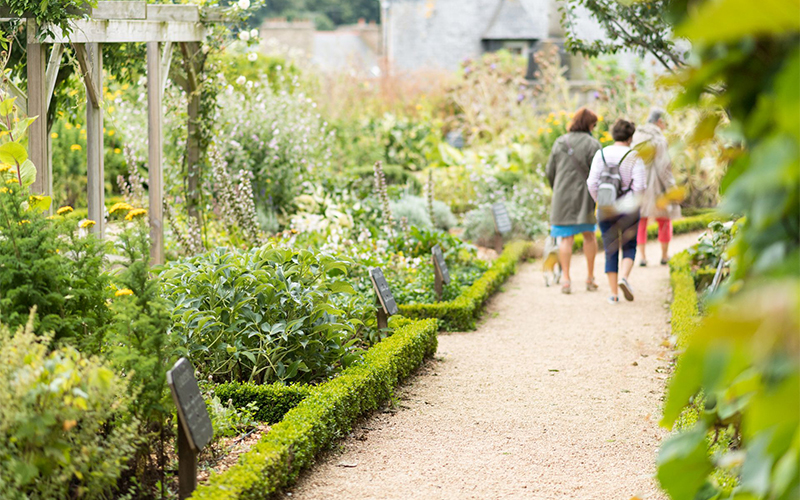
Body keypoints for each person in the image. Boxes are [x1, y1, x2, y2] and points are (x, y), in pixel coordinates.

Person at [587, 119, 646, 304]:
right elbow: (640, 186)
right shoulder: (634, 156)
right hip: (628, 206)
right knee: (629, 246)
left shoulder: (601, 154)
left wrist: (600, 201)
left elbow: (591, 183)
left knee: (610, 249)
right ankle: (624, 278)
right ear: (630, 137)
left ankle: (613, 294)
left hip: (606, 207)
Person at [545, 107, 602, 295]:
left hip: (562, 196)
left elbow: (549, 171)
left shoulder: (559, 142)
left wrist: (558, 188)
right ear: (589, 124)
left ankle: (566, 280)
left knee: (566, 238)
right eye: (593, 124)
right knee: (589, 235)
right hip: (585, 196)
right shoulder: (593, 144)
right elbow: (599, 173)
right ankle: (589, 278)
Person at [632, 108, 680, 266]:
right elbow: (663, 167)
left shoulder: (636, 136)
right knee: (664, 219)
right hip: (656, 184)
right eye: (665, 122)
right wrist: (671, 187)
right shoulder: (659, 139)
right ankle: (665, 256)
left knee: (641, 220)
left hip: (637, 184)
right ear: (659, 121)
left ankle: (642, 257)